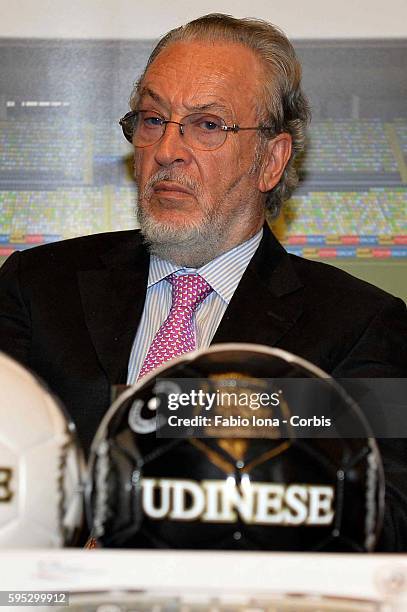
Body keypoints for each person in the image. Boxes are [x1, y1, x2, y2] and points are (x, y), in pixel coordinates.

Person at [0, 14, 406, 549]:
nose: (167, 150)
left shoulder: (361, 326)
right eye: (152, 119)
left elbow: (387, 519)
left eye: (208, 124)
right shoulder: (36, 287)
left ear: (272, 160)